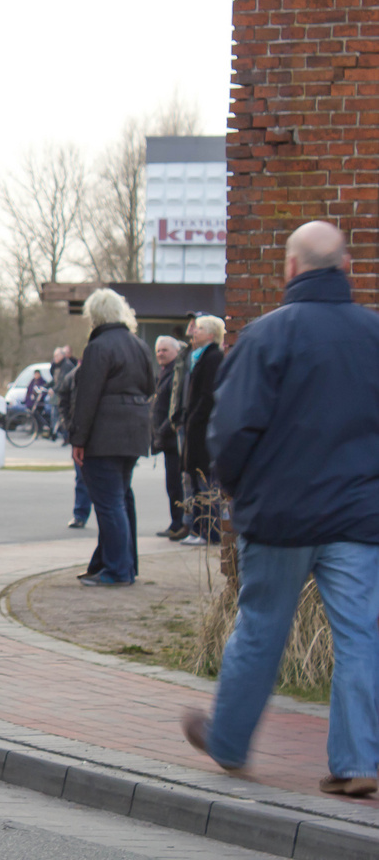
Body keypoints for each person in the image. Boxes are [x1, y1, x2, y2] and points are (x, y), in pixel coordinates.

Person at [182, 221, 379, 797]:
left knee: (261, 628)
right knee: (362, 635)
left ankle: (230, 743)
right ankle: (359, 760)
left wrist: (240, 491)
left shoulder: (265, 337)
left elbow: (232, 430)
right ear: (344, 267)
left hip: (280, 516)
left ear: (291, 268)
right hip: (359, 517)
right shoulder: (374, 336)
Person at [69, 288, 156, 587]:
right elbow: (150, 386)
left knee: (109, 504)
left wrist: (78, 439)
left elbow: (87, 396)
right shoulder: (139, 345)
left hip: (104, 435)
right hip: (134, 433)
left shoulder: (98, 347)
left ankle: (117, 570)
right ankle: (121, 564)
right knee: (121, 499)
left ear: (95, 315)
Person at [178, 314, 226, 545]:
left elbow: (207, 395)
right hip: (197, 427)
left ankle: (208, 531)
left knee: (205, 482)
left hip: (203, 429)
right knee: (198, 482)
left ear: (211, 333)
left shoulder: (213, 358)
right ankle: (198, 528)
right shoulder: (200, 357)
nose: (194, 332)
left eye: (199, 329)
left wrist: (194, 419)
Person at [151, 334, 189, 539]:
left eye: (165, 350)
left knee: (176, 484)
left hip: (174, 438)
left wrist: (164, 428)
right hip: (166, 439)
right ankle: (176, 522)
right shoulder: (163, 372)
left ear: (175, 351)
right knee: (171, 484)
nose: (160, 353)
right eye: (158, 350)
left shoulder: (177, 372)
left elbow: (174, 407)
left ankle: (179, 523)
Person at [57, 364, 92, 529]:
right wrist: (67, 425)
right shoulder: (73, 376)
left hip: (102, 434)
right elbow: (63, 400)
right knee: (81, 478)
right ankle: (80, 514)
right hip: (79, 433)